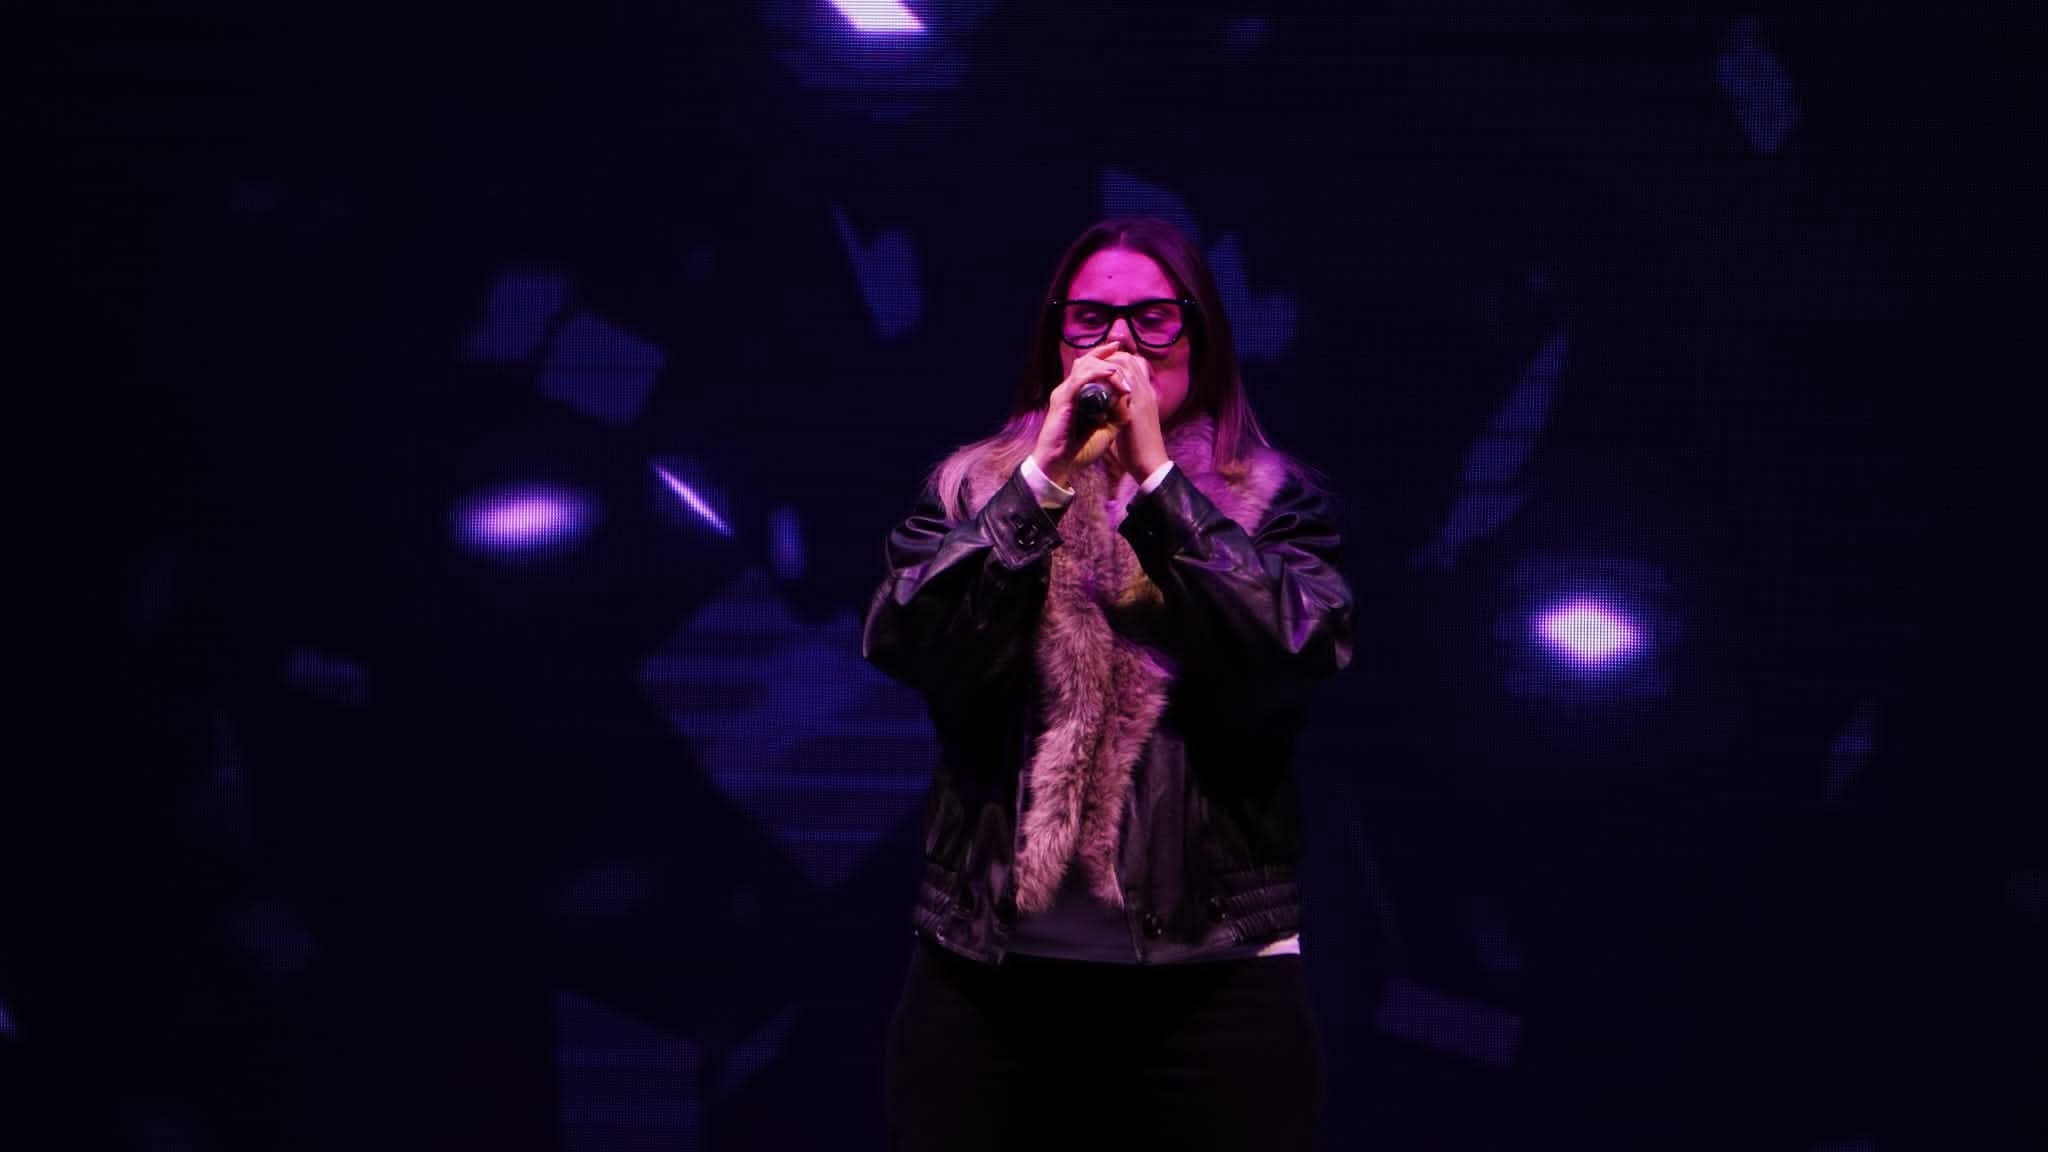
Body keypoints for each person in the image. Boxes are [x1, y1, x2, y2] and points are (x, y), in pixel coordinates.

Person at [860, 216, 1356, 1151]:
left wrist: (1161, 486)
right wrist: (1040, 482)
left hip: (1215, 980)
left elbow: (1290, 654)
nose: (1121, 342)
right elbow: (910, 641)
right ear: (1057, 339)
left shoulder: (1272, 502)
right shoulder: (974, 493)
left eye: (1153, 318)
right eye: (1091, 317)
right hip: (990, 988)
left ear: (1199, 337)